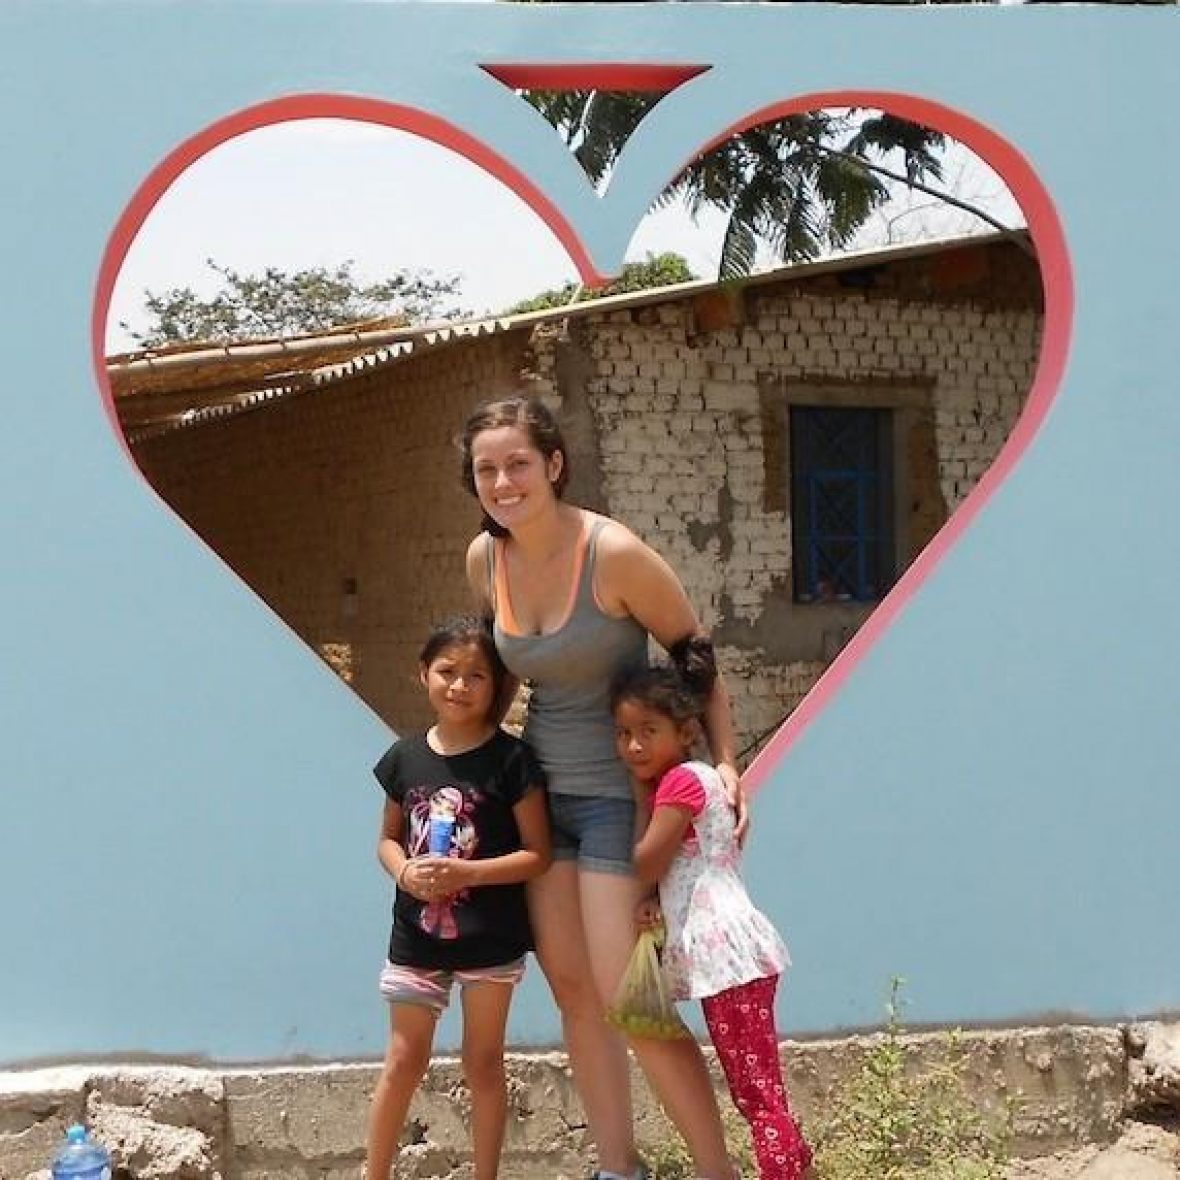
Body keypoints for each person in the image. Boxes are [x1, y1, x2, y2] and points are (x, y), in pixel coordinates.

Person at [460, 395, 747, 1180]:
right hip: (541, 805)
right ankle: (618, 1169)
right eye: (487, 468)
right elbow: (495, 678)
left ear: (553, 464)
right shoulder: (486, 561)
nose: (504, 481)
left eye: (518, 463)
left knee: (634, 999)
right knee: (576, 995)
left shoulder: (612, 553)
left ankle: (718, 1174)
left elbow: (695, 655)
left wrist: (725, 764)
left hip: (623, 801)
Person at [611, 639, 814, 1180]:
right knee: (760, 1089)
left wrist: (635, 804)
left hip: (725, 957)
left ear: (686, 732)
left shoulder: (678, 783)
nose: (633, 746)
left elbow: (647, 863)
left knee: (757, 1096)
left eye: (647, 732)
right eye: (624, 734)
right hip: (735, 952)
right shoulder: (698, 778)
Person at [366, 616, 551, 1180]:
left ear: (496, 687)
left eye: (476, 675)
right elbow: (387, 841)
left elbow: (537, 855)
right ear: (423, 674)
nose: (460, 685)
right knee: (403, 1060)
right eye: (447, 671)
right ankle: (374, 1173)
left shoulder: (511, 761)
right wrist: (405, 875)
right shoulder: (403, 758)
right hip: (415, 937)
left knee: (484, 1063)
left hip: (490, 942)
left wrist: (466, 871)